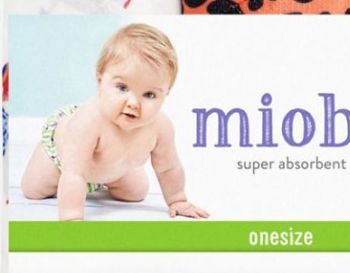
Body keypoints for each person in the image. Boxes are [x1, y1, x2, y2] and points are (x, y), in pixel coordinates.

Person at [21, 23, 209, 221]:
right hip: (63, 160)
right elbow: (74, 173)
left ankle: (108, 178)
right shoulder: (88, 122)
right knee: (33, 189)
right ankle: (43, 157)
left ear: (165, 95)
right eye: (122, 88)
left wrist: (177, 200)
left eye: (149, 94)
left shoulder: (161, 127)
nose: (133, 103)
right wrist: (72, 217)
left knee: (136, 192)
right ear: (100, 81)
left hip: (112, 169)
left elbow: (168, 168)